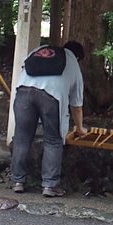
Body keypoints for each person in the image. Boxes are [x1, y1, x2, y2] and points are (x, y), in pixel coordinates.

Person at [10, 40, 88, 197]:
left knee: (22, 138)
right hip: (51, 97)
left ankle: (18, 181)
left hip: (23, 92)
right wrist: (79, 128)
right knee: (53, 140)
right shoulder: (73, 64)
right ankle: (49, 185)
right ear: (78, 56)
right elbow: (76, 106)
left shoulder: (41, 49)